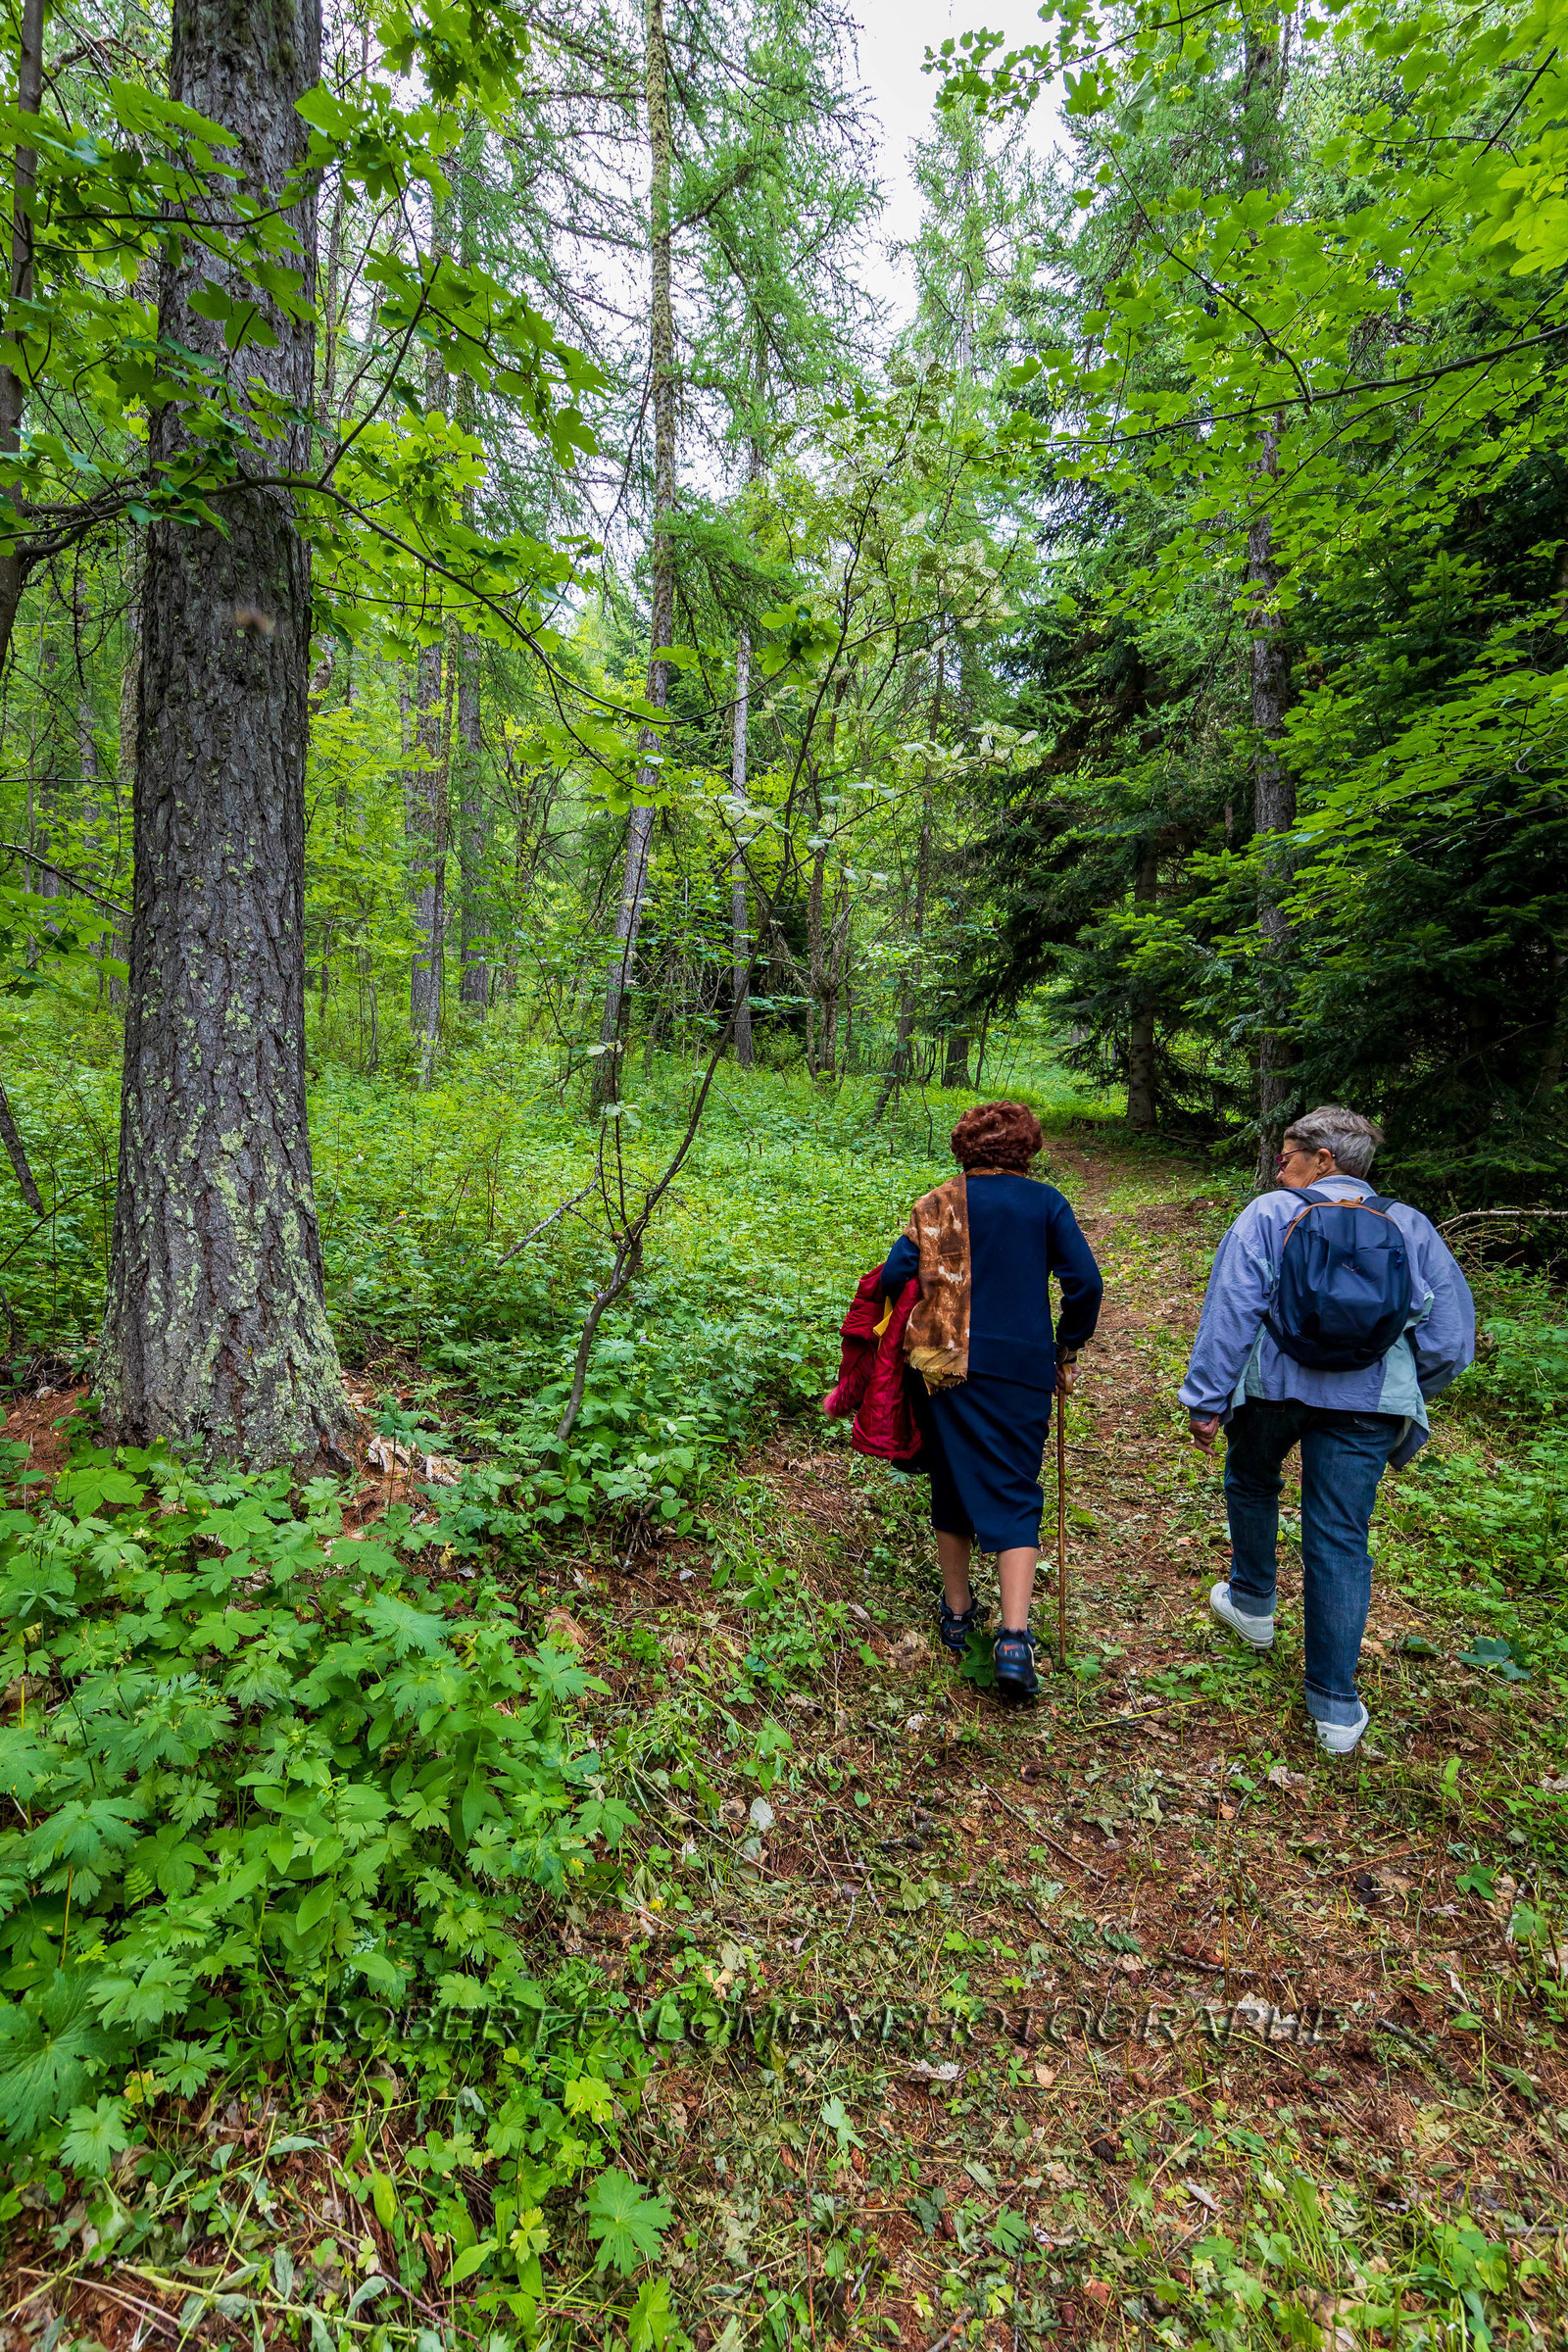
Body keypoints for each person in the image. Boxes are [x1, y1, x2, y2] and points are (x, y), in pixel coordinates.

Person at [1180, 1104, 1474, 1754]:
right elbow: (1451, 1339)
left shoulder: (1268, 1216)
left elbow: (1231, 1311)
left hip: (1273, 1392)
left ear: (1324, 1161)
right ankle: (1337, 1710)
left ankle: (1253, 1602)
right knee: (1340, 1539)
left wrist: (1205, 1400)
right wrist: (1403, 1390)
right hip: (1369, 1404)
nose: (1278, 1167)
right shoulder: (1408, 1225)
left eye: (1286, 1156)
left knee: (1253, 1479)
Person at [879, 1101, 1102, 1700]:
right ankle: (1013, 1636)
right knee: (1013, 1486)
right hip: (1020, 1367)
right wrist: (1067, 1346)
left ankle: (957, 1617)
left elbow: (892, 1275)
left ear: (964, 1148)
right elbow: (1085, 1283)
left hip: (941, 1365)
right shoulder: (1046, 1204)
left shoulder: (938, 1203)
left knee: (950, 1481)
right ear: (1026, 1151)